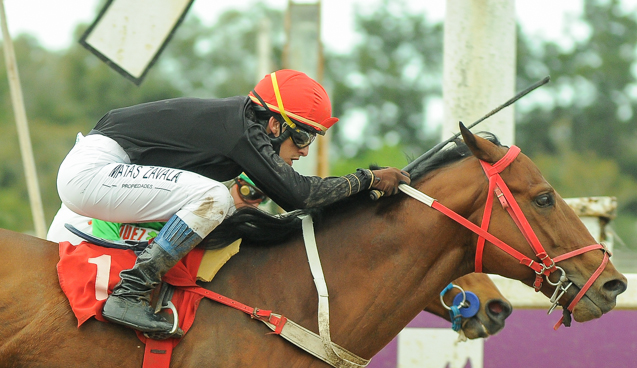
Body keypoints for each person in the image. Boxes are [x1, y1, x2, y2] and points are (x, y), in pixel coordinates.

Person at [53, 69, 410, 337]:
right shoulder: (241, 129)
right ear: (275, 124)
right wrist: (366, 179)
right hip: (94, 173)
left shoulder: (239, 123)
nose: (303, 151)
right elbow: (298, 195)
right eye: (302, 136)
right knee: (215, 197)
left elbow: (296, 197)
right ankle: (131, 291)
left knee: (216, 205)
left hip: (103, 178)